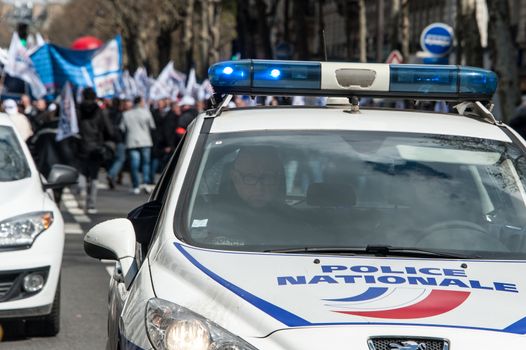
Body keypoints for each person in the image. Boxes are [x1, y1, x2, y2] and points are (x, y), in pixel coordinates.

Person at [198, 146, 306, 246]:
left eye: (268, 177)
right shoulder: (206, 221)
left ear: (279, 179)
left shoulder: (299, 225)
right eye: (249, 178)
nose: (259, 187)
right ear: (235, 178)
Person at [77, 88, 114, 214]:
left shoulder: (77, 110)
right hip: (96, 146)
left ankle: (81, 190)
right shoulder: (100, 111)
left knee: (82, 172)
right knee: (94, 175)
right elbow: (109, 130)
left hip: (80, 145)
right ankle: (91, 204)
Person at [120, 95, 156, 194]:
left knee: (134, 164)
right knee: (145, 163)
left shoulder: (126, 114)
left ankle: (136, 185)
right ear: (140, 102)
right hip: (145, 140)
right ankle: (145, 182)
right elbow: (152, 126)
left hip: (132, 140)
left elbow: (122, 128)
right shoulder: (146, 113)